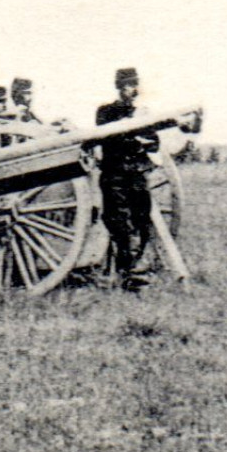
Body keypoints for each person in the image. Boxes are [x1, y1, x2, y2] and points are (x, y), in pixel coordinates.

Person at [92, 67, 158, 290]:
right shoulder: (106, 112)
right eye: (130, 85)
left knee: (141, 220)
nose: (134, 90)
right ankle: (128, 272)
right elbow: (110, 136)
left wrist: (145, 138)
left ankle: (136, 269)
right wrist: (135, 136)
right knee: (120, 223)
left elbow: (154, 142)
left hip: (136, 175)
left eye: (136, 84)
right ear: (119, 87)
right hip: (115, 175)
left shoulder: (142, 114)